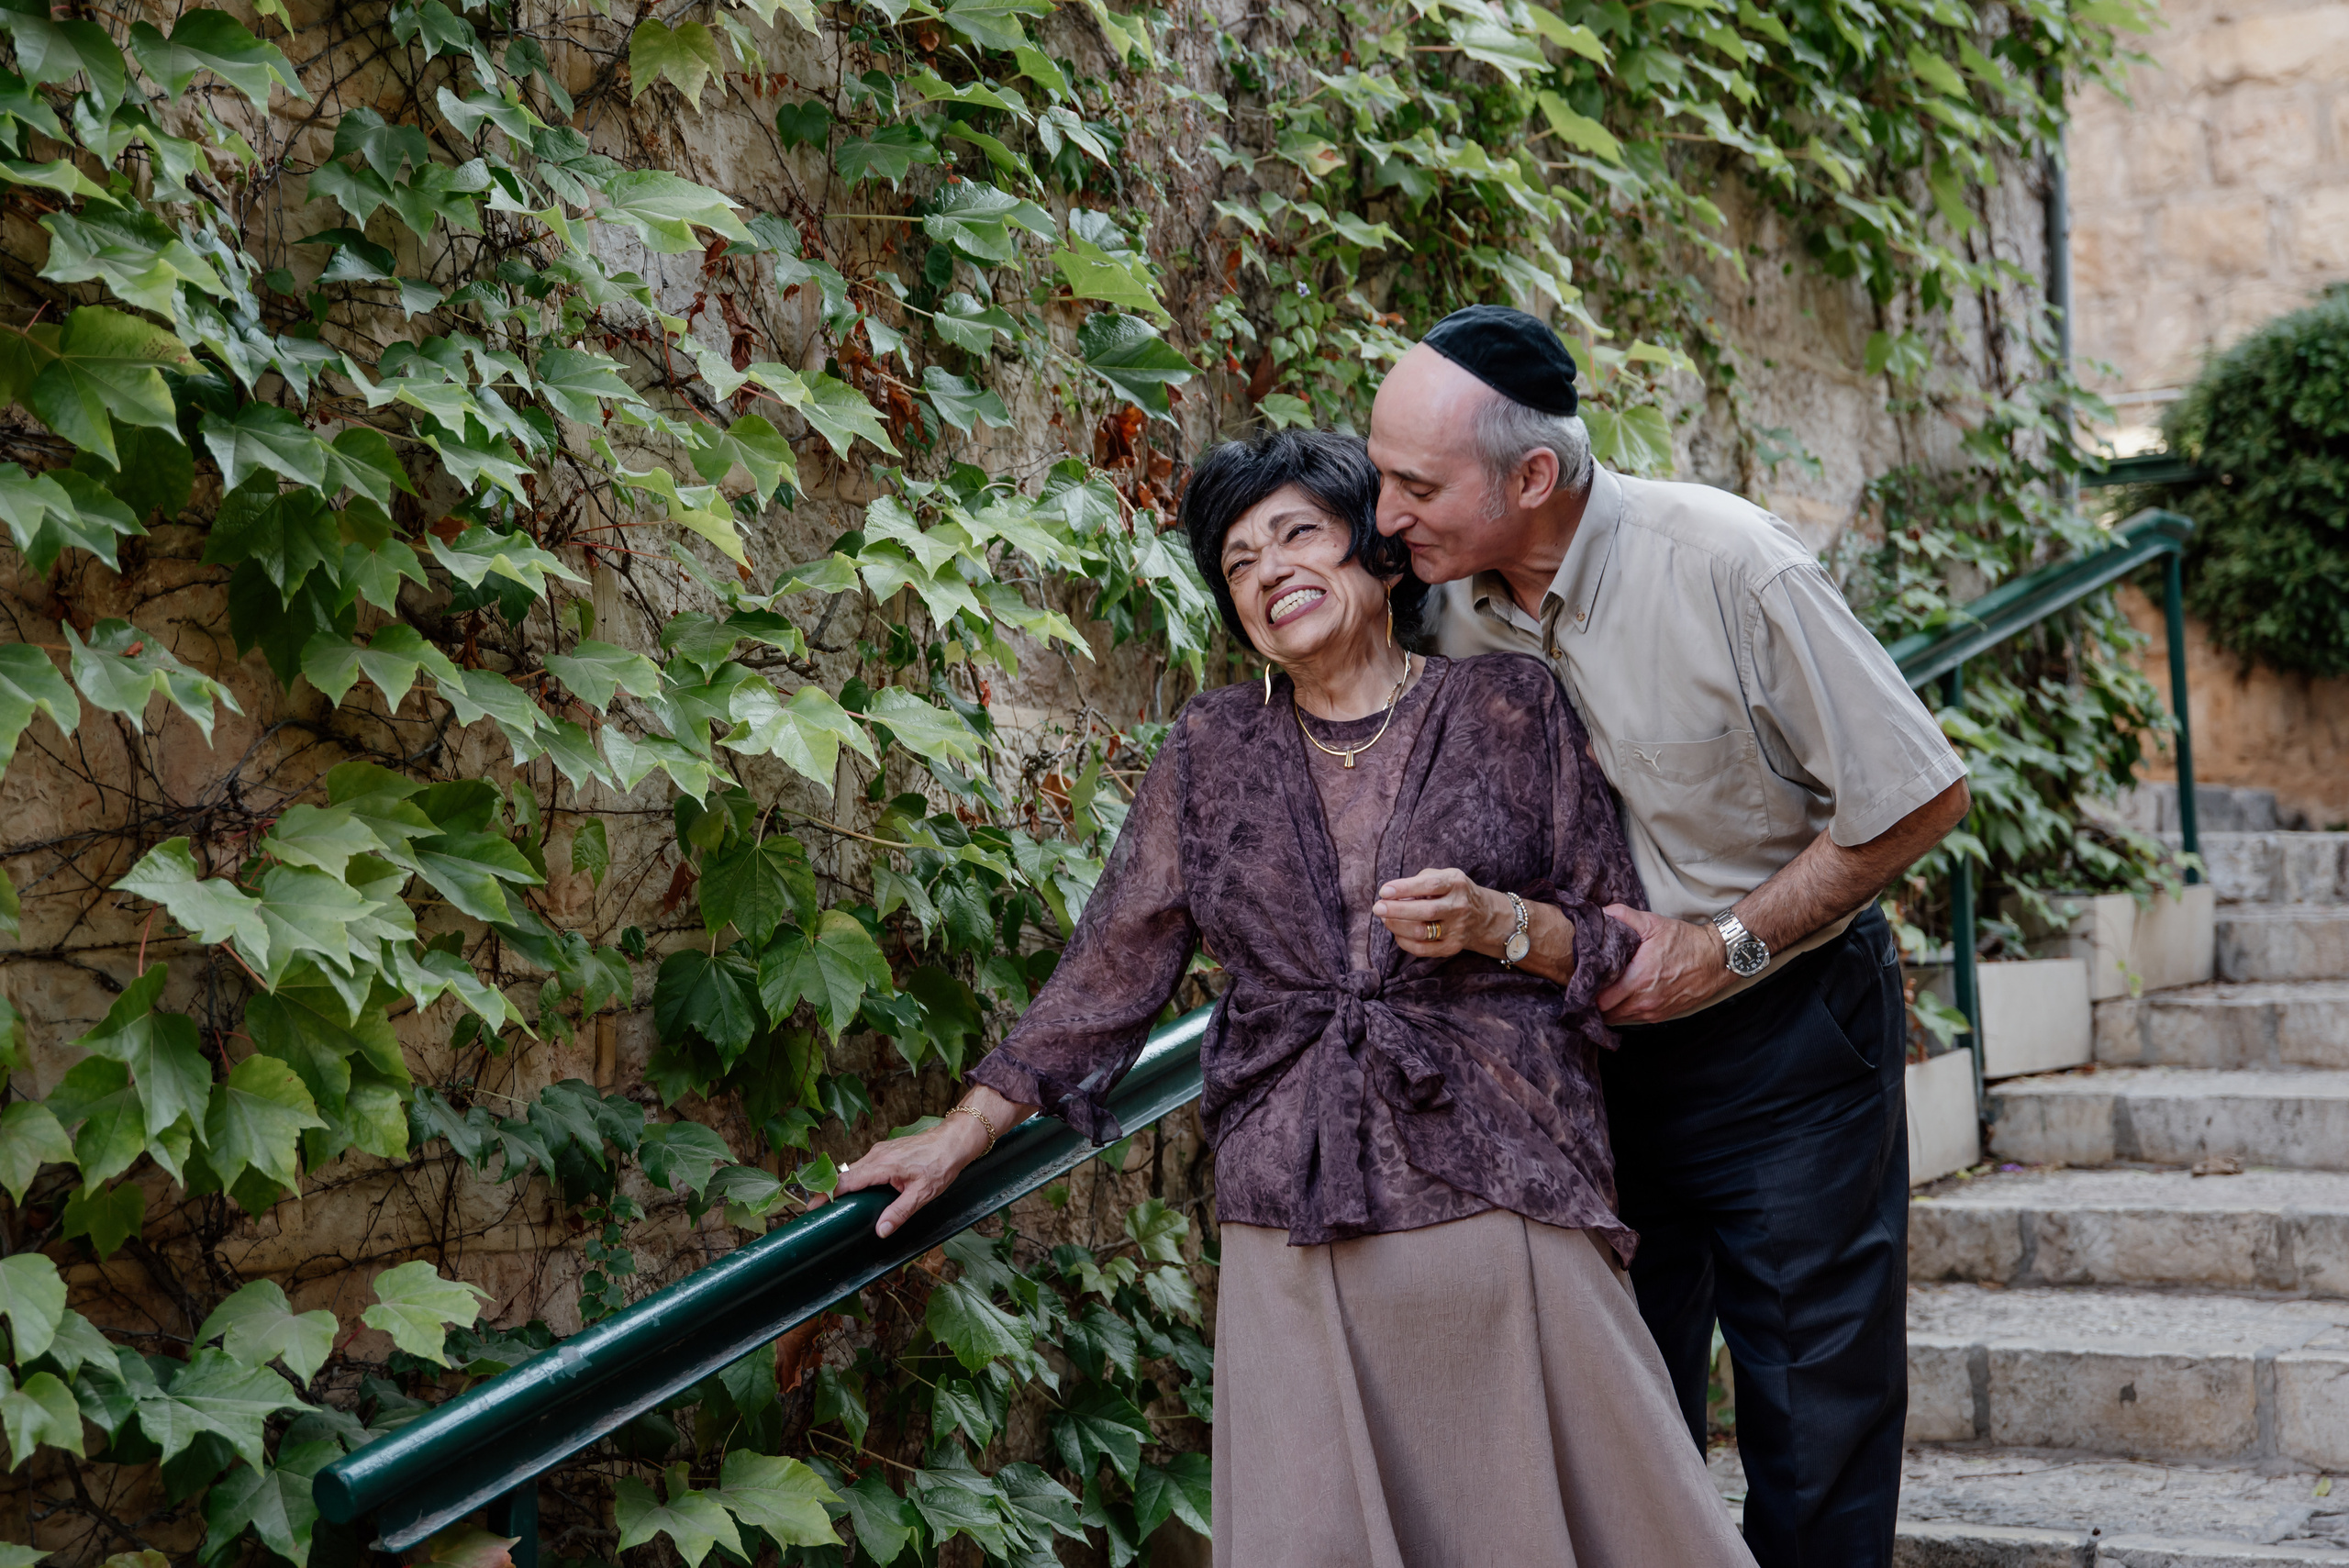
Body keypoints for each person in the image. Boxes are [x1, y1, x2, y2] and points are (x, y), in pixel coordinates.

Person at [835, 429, 1756, 1568]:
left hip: (1501, 1177)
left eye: (1296, 534)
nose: (1268, 570)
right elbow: (1111, 966)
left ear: (1376, 554)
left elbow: (1613, 939)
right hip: (1296, 1193)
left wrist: (1492, 922)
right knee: (1313, 1526)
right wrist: (962, 1129)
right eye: (1237, 562)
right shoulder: (1213, 745)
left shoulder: (1506, 705)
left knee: (1553, 1518)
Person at [1367, 303, 1972, 1568]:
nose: (1384, 517)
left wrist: (1729, 947)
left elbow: (1919, 794)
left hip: (1783, 1045)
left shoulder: (1730, 562)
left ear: (1532, 477)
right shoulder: (1441, 603)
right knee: (1614, 1410)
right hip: (1577, 1062)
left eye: (1414, 486)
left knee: (1815, 1419)